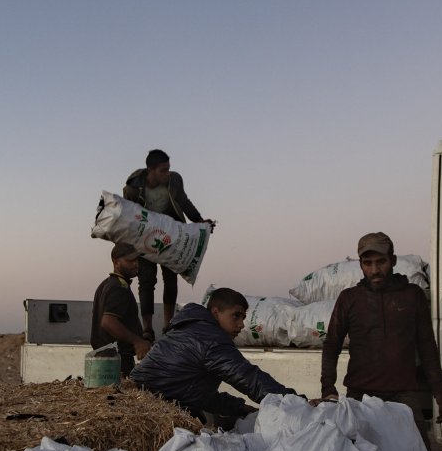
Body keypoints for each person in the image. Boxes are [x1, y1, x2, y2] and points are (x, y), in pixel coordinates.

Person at [320, 232, 442, 451]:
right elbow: (332, 343)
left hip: (404, 396)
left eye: (381, 262)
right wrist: (328, 388)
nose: (374, 270)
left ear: (393, 261)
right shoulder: (349, 298)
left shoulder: (412, 296)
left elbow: (427, 345)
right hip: (360, 396)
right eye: (367, 263)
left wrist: (440, 391)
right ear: (360, 265)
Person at [129, 288, 293, 429]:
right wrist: (293, 402)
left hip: (136, 404)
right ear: (216, 312)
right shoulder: (212, 339)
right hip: (152, 418)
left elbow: (197, 393)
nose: (242, 325)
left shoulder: (186, 328)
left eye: (243, 318)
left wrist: (240, 408)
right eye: (236, 316)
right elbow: (249, 378)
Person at [123, 149, 214, 338]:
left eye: (168, 169)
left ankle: (168, 326)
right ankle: (147, 328)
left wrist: (199, 221)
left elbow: (184, 202)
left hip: (171, 236)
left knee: (171, 281)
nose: (167, 173)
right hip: (145, 238)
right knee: (146, 281)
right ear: (151, 170)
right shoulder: (133, 188)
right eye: (163, 170)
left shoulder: (175, 181)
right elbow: (128, 216)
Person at [91, 242, 152, 377]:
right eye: (130, 261)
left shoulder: (105, 285)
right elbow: (108, 322)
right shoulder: (118, 288)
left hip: (104, 362)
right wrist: (138, 341)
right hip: (117, 362)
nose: (136, 264)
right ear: (116, 262)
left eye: (137, 260)